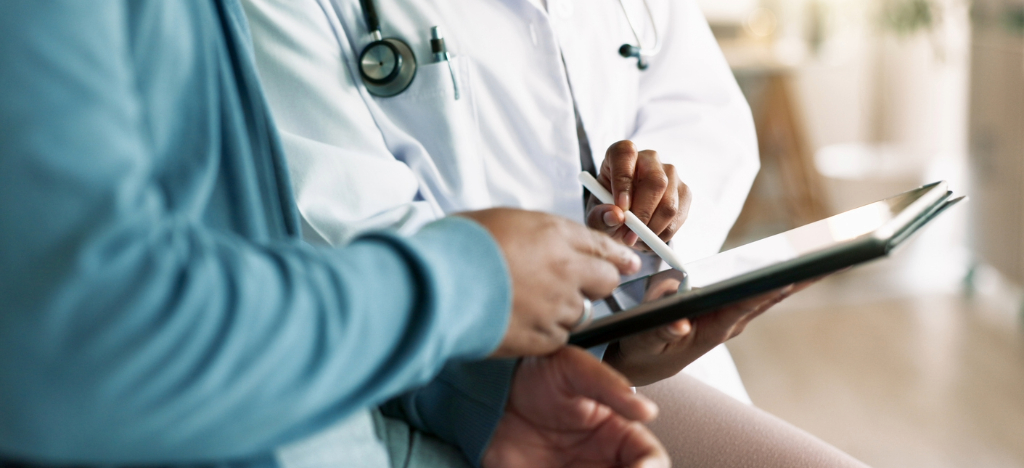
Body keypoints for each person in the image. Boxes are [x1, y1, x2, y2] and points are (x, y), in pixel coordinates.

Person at [0, 2, 674, 467]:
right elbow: (69, 344)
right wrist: (464, 283)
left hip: (369, 418)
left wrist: (474, 398)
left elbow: (229, 262)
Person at [240, 0, 758, 401]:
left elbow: (703, 111)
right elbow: (342, 217)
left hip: (663, 345)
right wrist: (601, 344)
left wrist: (656, 224)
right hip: (461, 379)